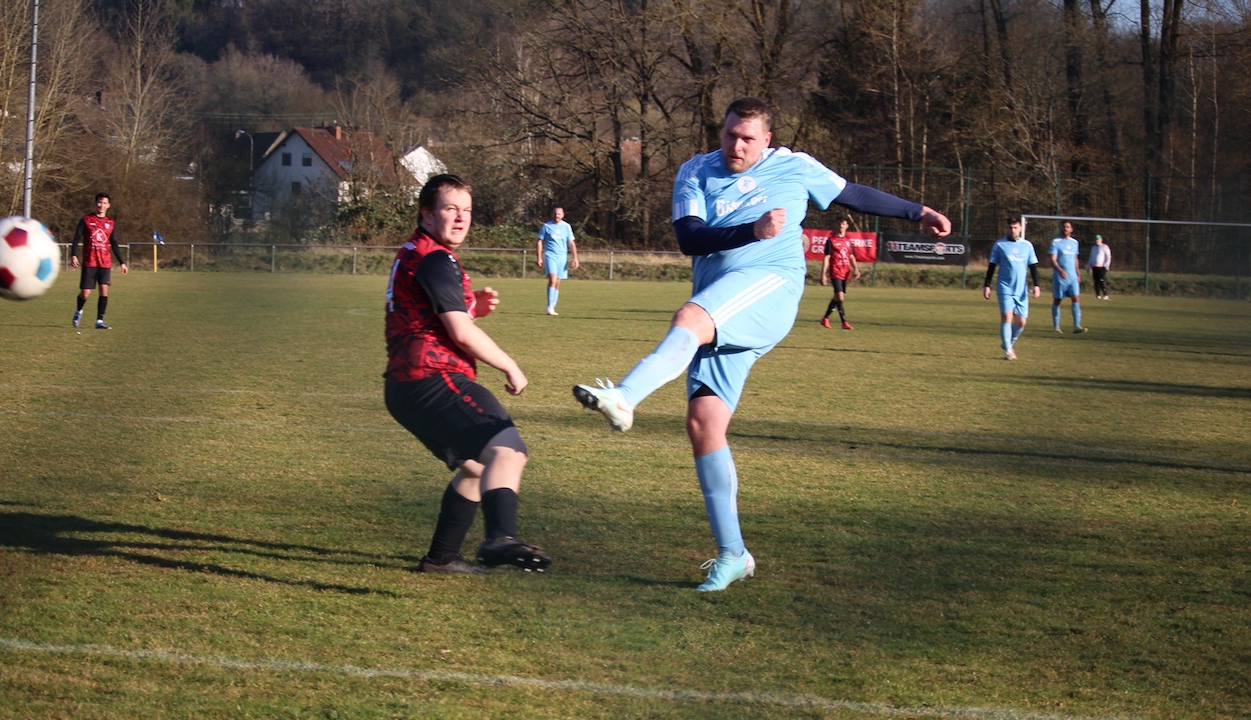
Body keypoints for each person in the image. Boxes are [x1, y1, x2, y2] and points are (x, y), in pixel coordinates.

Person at [573, 97, 951, 592]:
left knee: (689, 318)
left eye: (748, 138)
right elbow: (690, 239)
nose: (736, 145)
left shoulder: (795, 167)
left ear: (767, 140)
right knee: (704, 425)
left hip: (770, 286)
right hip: (720, 301)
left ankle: (625, 396)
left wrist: (918, 211)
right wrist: (751, 230)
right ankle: (733, 555)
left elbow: (852, 194)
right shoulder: (695, 171)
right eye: (730, 134)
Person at [385, 173, 551, 574]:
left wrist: (471, 303)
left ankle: (440, 560)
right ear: (427, 215)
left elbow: (428, 310)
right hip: (431, 376)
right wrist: (510, 364)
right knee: (507, 450)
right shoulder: (435, 258)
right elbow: (460, 331)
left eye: (467, 210)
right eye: (450, 209)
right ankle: (500, 538)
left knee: (479, 468)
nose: (461, 218)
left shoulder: (418, 252)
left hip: (405, 386)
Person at [983, 217, 1041, 360]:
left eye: (1015, 228)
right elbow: (992, 266)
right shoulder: (999, 245)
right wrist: (987, 285)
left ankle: (1008, 342)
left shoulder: (1027, 245)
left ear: (1020, 228)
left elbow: (1033, 267)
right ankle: (1008, 351)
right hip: (1005, 287)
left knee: (1021, 322)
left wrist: (1036, 285)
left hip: (1021, 290)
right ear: (1006, 228)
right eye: (1010, 228)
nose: (1013, 230)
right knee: (1007, 318)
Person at [70, 192, 128, 329]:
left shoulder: (110, 223)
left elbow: (114, 243)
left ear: (108, 205)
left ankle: (99, 321)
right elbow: (77, 237)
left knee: (104, 290)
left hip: (105, 263)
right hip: (89, 262)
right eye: (99, 202)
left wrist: (122, 262)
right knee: (85, 293)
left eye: (104, 203)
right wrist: (73, 255)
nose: (101, 205)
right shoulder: (86, 219)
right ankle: (79, 311)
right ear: (96, 203)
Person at [536, 205, 579, 315]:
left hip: (562, 257)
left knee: (558, 283)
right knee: (553, 279)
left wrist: (575, 258)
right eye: (555, 213)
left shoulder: (566, 227)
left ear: (562, 215)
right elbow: (539, 241)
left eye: (559, 214)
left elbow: (571, 243)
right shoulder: (546, 226)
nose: (557, 215)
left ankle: (553, 306)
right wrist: (539, 257)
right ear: (552, 214)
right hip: (550, 255)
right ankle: (550, 306)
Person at [819, 217, 857, 329]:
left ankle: (825, 318)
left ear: (847, 226)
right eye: (839, 223)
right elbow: (827, 257)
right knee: (839, 295)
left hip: (845, 271)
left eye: (843, 223)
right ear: (836, 225)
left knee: (838, 297)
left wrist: (856, 269)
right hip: (835, 270)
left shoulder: (848, 241)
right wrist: (823, 274)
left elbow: (851, 256)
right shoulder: (830, 240)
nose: (841, 225)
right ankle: (844, 322)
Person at [1049, 220, 1086, 333]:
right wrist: (1060, 270)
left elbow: (1075, 259)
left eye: (1068, 227)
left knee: (1076, 298)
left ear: (1071, 229)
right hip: (1060, 277)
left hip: (1072, 277)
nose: (1066, 229)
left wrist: (1078, 274)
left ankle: (1076, 325)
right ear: (1061, 228)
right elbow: (1053, 259)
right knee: (1057, 300)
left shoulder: (1075, 243)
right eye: (1064, 227)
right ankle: (1056, 327)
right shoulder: (1056, 242)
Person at [1087, 233, 1112, 299]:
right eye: (1096, 239)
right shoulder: (1093, 248)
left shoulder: (1104, 247)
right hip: (1095, 266)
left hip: (1102, 267)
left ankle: (1105, 294)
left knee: (1101, 280)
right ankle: (1097, 294)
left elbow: (1108, 257)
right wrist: (1088, 266)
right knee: (1096, 281)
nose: (1097, 240)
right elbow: (1091, 257)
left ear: (1101, 240)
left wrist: (1107, 265)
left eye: (1098, 239)